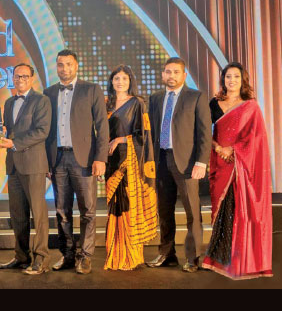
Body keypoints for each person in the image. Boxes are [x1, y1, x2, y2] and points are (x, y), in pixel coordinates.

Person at [201, 62, 273, 279]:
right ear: (223, 80)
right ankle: (219, 256)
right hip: (220, 162)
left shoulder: (250, 106)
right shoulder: (214, 103)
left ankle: (240, 258)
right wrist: (218, 148)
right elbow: (204, 131)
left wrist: (233, 150)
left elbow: (256, 138)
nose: (231, 80)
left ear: (243, 81)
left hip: (242, 164)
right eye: (228, 77)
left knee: (238, 209)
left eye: (236, 77)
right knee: (222, 210)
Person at [44, 50, 109, 275]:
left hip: (84, 160)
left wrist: (100, 158)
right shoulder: (49, 92)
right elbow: (46, 131)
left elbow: (102, 126)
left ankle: (86, 256)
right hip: (57, 159)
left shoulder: (91, 89)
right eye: (60, 64)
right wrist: (46, 162)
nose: (64, 69)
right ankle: (68, 255)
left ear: (77, 66)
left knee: (87, 211)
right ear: (56, 66)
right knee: (62, 211)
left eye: (69, 64)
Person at [146, 57, 211, 273]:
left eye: (176, 72)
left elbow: (204, 133)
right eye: (168, 72)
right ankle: (167, 254)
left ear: (184, 75)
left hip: (187, 163)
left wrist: (201, 162)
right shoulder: (155, 98)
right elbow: (152, 131)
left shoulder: (196, 97)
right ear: (163, 74)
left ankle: (193, 257)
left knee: (192, 212)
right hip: (161, 160)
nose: (171, 76)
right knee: (164, 211)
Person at [0, 63, 51, 275]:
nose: (20, 79)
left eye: (24, 76)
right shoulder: (9, 102)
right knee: (18, 214)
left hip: (33, 164)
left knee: (38, 214)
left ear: (31, 78)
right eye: (17, 76)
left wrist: (14, 143)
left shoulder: (41, 100)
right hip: (13, 165)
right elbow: (9, 130)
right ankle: (21, 256)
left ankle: (41, 258)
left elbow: (42, 131)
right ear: (12, 78)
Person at [103, 65, 158, 270]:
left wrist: (120, 139)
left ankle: (131, 256)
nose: (120, 82)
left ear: (130, 81)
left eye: (124, 79)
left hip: (129, 162)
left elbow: (143, 134)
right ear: (111, 81)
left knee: (128, 206)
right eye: (116, 78)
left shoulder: (137, 103)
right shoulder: (106, 104)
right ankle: (114, 254)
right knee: (114, 207)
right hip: (111, 162)